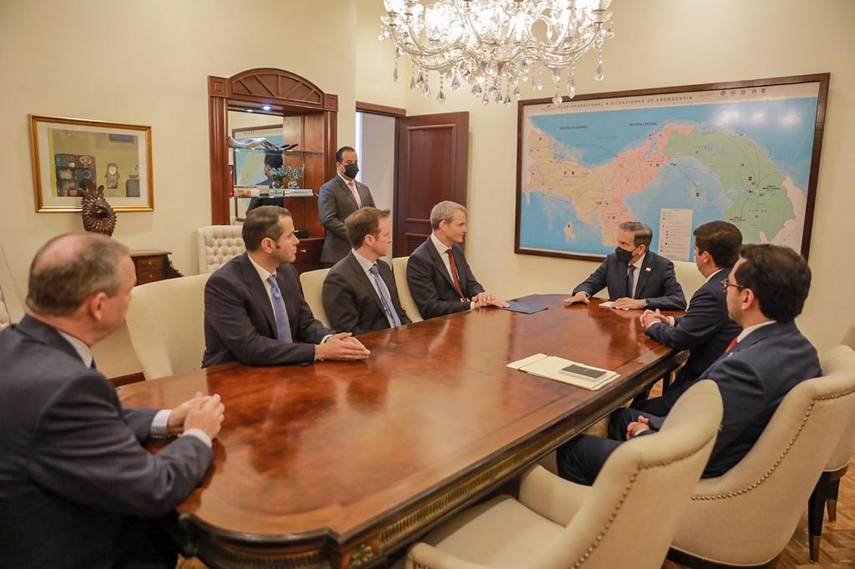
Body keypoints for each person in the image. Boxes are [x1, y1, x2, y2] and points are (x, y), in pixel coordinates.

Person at [0, 233, 225, 568]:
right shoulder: (66, 386)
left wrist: (164, 419)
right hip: (79, 548)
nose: (131, 300)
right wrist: (197, 434)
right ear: (98, 305)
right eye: (129, 291)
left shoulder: (15, 342)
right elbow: (154, 487)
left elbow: (91, 414)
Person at [557, 244, 820, 486]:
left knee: (571, 449)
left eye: (728, 285)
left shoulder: (746, 370)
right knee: (620, 417)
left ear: (746, 298)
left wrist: (643, 436)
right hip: (707, 436)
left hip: (689, 474)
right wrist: (658, 426)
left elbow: (697, 450)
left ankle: (603, 521)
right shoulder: (801, 348)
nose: (724, 289)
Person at [203, 205, 370, 367]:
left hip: (283, 368)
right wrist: (319, 351)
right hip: (233, 375)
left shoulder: (286, 271)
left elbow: (305, 323)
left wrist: (330, 339)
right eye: (290, 236)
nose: (297, 241)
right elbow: (250, 347)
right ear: (268, 245)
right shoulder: (224, 284)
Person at [633, 221, 743, 416]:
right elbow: (709, 322)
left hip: (699, 391)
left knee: (628, 413)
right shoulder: (736, 283)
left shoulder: (711, 291)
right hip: (722, 384)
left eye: (695, 250)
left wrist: (653, 325)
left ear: (705, 257)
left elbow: (680, 339)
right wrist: (671, 321)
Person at [407, 201, 508, 320]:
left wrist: (481, 296)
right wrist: (472, 305)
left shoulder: (456, 249)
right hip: (441, 326)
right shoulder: (419, 259)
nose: (466, 230)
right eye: (461, 225)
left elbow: (470, 283)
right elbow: (430, 308)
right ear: (443, 225)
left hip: (464, 317)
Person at [323, 207, 412, 335]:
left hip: (401, 339)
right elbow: (349, 331)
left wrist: (412, 333)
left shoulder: (384, 267)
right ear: (369, 239)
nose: (390, 240)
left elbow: (398, 311)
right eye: (386, 235)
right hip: (375, 347)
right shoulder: (339, 278)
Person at [565, 221, 686, 310]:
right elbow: (590, 284)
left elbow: (678, 300)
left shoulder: (662, 266)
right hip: (617, 327)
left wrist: (642, 303)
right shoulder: (612, 260)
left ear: (640, 249)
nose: (619, 248)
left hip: (645, 327)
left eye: (624, 244)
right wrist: (582, 293)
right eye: (618, 242)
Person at [318, 146, 376, 267]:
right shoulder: (328, 188)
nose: (353, 166)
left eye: (355, 162)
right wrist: (355, 234)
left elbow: (373, 214)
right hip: (338, 254)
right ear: (339, 165)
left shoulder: (364, 188)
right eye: (349, 163)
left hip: (363, 254)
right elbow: (328, 219)